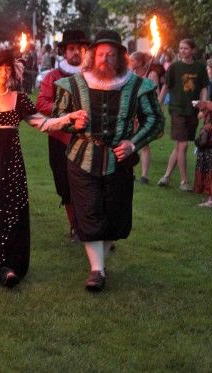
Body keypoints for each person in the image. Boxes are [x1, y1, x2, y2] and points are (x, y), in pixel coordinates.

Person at [0, 49, 87, 288]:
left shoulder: (19, 99)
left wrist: (67, 118)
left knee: (10, 209)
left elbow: (42, 123)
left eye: (8, 68)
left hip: (10, 163)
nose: (4, 72)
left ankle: (7, 265)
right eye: (0, 68)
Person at [53, 30, 164, 291]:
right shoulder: (73, 84)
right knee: (89, 211)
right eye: (101, 54)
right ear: (92, 56)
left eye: (111, 55)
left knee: (113, 213)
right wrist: (72, 121)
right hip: (82, 158)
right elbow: (58, 115)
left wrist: (133, 142)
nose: (105, 59)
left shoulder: (137, 85)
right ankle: (97, 270)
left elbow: (156, 121)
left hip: (120, 160)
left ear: (121, 58)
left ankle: (99, 264)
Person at [35, 29, 90, 242]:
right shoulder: (53, 77)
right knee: (64, 184)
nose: (77, 52)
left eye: (81, 48)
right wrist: (67, 114)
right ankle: (75, 227)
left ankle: (92, 228)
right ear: (65, 51)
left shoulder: (94, 76)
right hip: (60, 139)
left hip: (88, 139)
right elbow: (42, 103)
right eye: (72, 48)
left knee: (88, 184)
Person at [157, 39, 209, 191]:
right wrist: (158, 105)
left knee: (179, 146)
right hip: (177, 110)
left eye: (186, 48)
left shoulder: (200, 66)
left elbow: (204, 87)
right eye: (180, 48)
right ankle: (184, 181)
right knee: (183, 145)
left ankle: (166, 176)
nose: (182, 51)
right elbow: (165, 87)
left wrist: (203, 105)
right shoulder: (174, 67)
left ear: (192, 50)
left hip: (192, 111)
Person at [129, 51, 163, 183]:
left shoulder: (151, 74)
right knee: (130, 143)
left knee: (143, 144)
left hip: (145, 111)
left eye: (132, 60)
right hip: (132, 112)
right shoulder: (130, 75)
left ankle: (144, 176)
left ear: (138, 62)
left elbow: (157, 94)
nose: (129, 63)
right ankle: (130, 173)